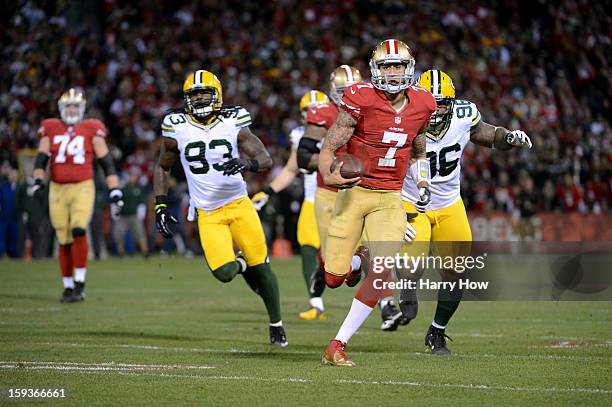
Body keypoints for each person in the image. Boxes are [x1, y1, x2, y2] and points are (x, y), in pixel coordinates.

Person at [319, 39, 436, 366]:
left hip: (389, 198)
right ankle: (355, 260)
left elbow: (418, 148)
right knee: (333, 277)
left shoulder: (423, 104)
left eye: (398, 65)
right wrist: (326, 172)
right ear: (376, 69)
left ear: (409, 68)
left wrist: (423, 179)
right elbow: (330, 145)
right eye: (387, 66)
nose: (393, 72)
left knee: (383, 270)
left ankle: (338, 344)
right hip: (355, 193)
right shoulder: (360, 98)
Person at [400, 69, 532, 354]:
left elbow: (488, 134)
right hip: (412, 201)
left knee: (456, 274)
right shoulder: (404, 114)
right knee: (413, 264)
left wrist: (509, 138)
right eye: (430, 102)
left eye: (442, 103)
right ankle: (407, 288)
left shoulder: (463, 114)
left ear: (452, 102)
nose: (435, 110)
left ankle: (437, 331)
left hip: (448, 203)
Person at [153, 69, 287, 347]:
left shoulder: (233, 120)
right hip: (208, 212)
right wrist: (160, 205)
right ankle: (242, 264)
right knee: (224, 273)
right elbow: (163, 167)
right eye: (195, 95)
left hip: (239, 204)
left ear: (218, 95)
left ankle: (277, 325)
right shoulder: (175, 125)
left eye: (205, 94)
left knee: (261, 267)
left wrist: (247, 164)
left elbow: (265, 159)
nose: (200, 99)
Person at [32, 88, 124, 302]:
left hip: (83, 185)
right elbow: (41, 159)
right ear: (62, 108)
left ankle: (80, 282)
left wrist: (115, 189)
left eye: (75, 106)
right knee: (63, 238)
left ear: (81, 108)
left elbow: (106, 162)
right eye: (69, 106)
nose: (72, 110)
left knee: (79, 229)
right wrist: (37, 180)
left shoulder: (91, 128)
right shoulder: (51, 128)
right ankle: (68, 285)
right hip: (57, 187)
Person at [251, 90, 331, 320]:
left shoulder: (342, 127)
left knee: (351, 256)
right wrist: (268, 191)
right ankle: (316, 303)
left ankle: (384, 302)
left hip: (343, 199)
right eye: (308, 111)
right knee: (307, 245)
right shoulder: (300, 135)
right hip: (313, 199)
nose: (312, 115)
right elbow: (291, 169)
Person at [113, 168, 149, 257]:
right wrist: (115, 213)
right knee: (118, 235)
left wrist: (141, 215)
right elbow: (115, 201)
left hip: (134, 215)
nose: (132, 178)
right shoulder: (122, 188)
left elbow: (142, 203)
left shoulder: (138, 188)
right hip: (122, 216)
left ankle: (146, 253)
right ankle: (121, 254)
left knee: (140, 234)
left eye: (133, 176)